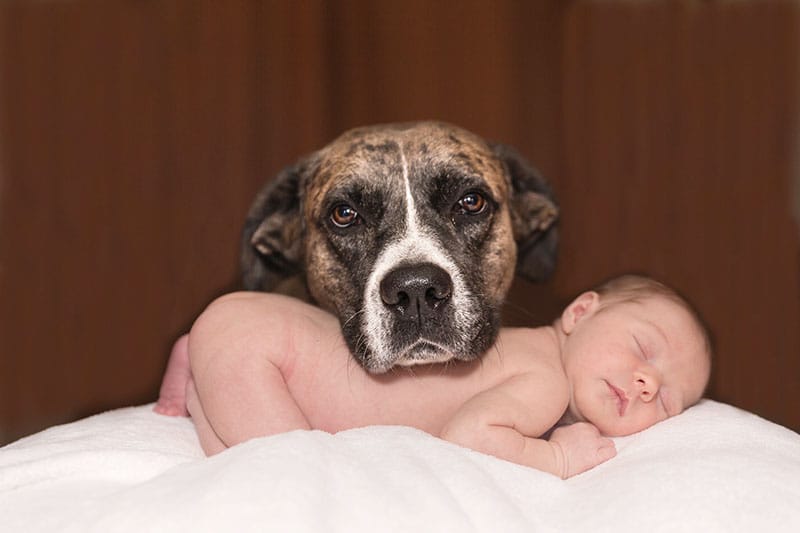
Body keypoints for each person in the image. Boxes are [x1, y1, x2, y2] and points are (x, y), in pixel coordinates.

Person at [154, 274, 711, 479]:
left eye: (666, 401)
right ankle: (209, 361)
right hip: (266, 357)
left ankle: (201, 355)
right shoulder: (546, 381)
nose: (644, 384)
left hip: (253, 325)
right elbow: (469, 438)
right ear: (580, 312)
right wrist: (557, 459)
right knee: (288, 466)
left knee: (246, 389)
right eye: (643, 349)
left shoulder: (532, 355)